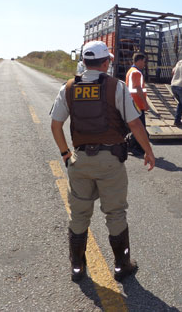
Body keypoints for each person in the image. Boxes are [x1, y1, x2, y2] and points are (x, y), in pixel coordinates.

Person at [50, 40, 155, 283]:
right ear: (106, 62)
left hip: (80, 160)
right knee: (115, 213)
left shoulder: (67, 88)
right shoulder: (115, 87)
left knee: (79, 215)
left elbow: (56, 125)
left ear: (84, 62)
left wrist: (66, 154)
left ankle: (77, 268)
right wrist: (148, 151)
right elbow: (135, 123)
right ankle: (121, 266)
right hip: (110, 161)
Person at [125, 52, 149, 156]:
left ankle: (136, 146)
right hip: (137, 104)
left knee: (138, 127)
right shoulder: (136, 73)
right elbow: (138, 89)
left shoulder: (131, 71)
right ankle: (134, 147)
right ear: (139, 61)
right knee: (140, 127)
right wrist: (145, 103)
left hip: (133, 103)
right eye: (144, 61)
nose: (144, 64)